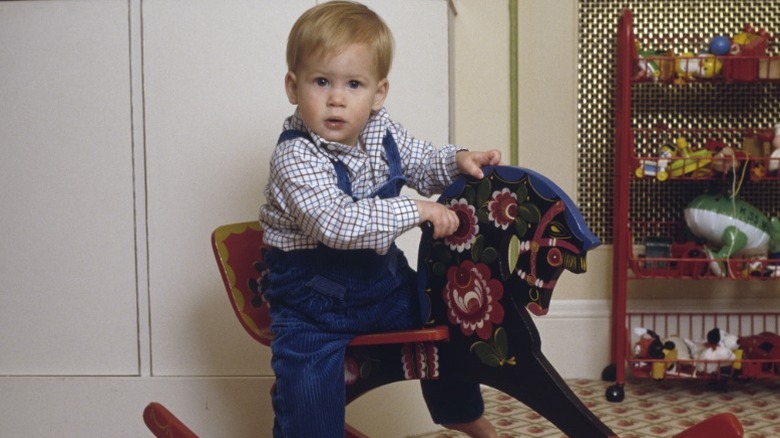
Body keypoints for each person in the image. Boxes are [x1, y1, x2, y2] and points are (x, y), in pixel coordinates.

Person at [258, 1, 501, 436]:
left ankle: (461, 414)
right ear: (293, 87)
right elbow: (336, 223)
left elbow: (422, 161)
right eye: (321, 82)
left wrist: (458, 160)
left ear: (378, 93)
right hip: (311, 305)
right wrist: (416, 210)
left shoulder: (380, 132)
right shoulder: (295, 155)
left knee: (446, 318)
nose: (336, 98)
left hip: (382, 286)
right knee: (307, 386)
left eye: (353, 84)